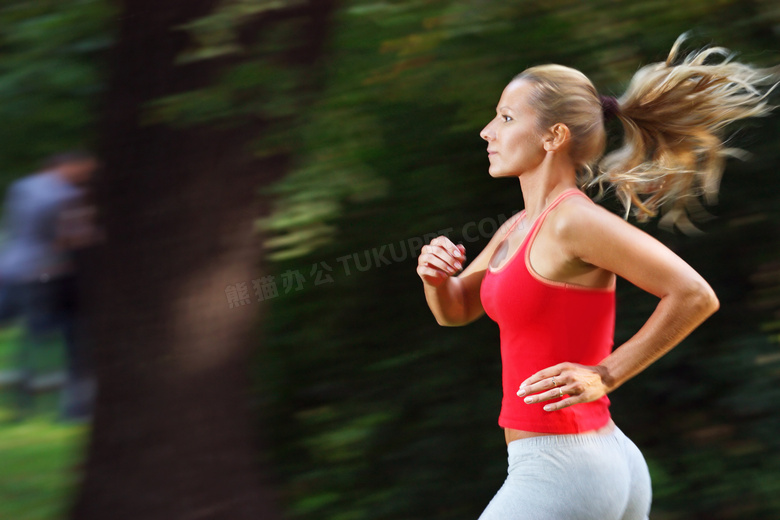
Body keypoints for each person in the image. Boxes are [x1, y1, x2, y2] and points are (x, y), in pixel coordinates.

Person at [416, 34, 777, 520]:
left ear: (553, 136)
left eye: (505, 118)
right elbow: (457, 310)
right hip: (585, 461)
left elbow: (693, 294)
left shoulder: (573, 221)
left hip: (566, 466)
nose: (486, 132)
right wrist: (435, 277)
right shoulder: (518, 226)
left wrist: (607, 373)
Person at [0, 150, 100, 421]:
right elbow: (69, 239)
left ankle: (22, 403)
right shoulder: (65, 195)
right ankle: (67, 408)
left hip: (12, 270)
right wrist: (94, 233)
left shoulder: (22, 186)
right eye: (85, 169)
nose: (86, 175)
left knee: (28, 338)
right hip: (45, 275)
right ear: (70, 165)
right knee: (54, 340)